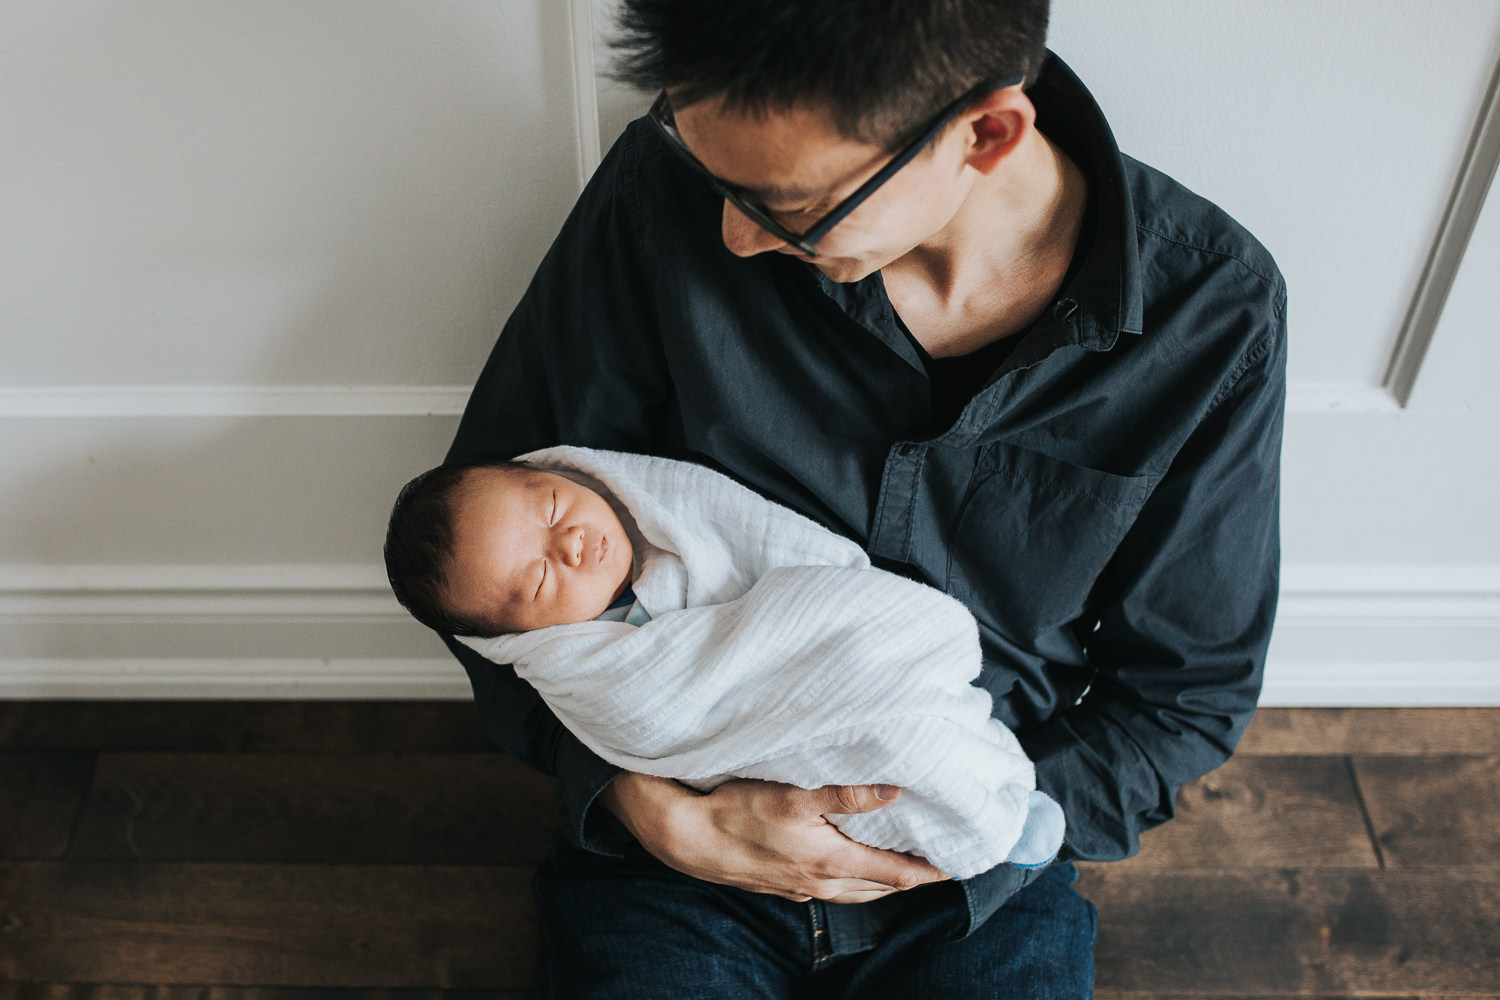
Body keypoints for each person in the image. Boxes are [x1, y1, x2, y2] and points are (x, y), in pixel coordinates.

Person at [437, 1, 1286, 995]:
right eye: (715, 177)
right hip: (681, 837)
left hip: (972, 879)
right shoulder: (660, 194)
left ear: (987, 133)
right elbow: (477, 558)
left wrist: (970, 814)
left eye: (784, 204)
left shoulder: (1210, 316)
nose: (733, 239)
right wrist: (637, 802)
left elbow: (1183, 695)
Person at [384, 445, 1067, 880]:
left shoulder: (676, 520)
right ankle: (980, 819)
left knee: (917, 712)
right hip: (723, 827)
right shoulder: (591, 673)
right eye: (536, 581)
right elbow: (673, 713)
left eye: (555, 504)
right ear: (520, 638)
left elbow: (792, 566)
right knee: (899, 753)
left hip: (869, 654)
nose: (568, 544)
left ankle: (994, 801)